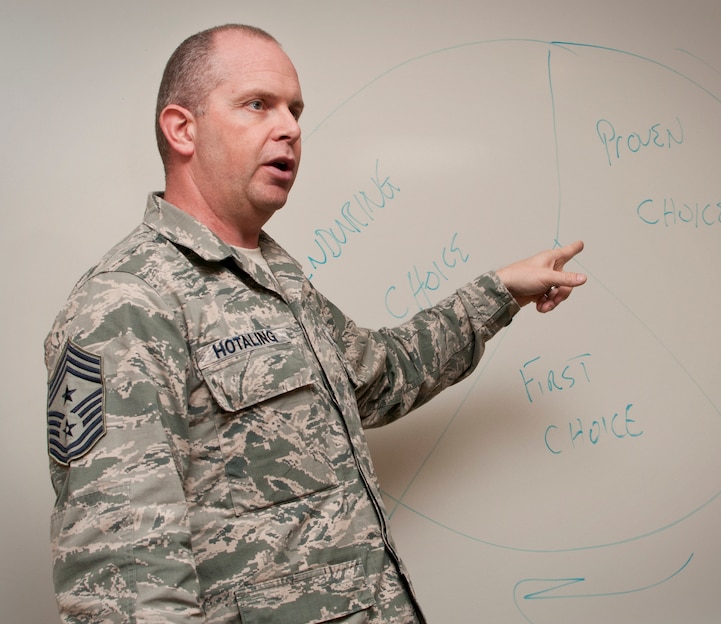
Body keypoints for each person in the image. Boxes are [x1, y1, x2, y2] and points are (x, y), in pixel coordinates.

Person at [44, 24, 586, 624]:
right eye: (257, 104)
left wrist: (499, 291)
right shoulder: (127, 303)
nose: (291, 128)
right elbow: (124, 577)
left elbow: (383, 377)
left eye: (296, 110)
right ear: (182, 129)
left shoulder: (278, 278)